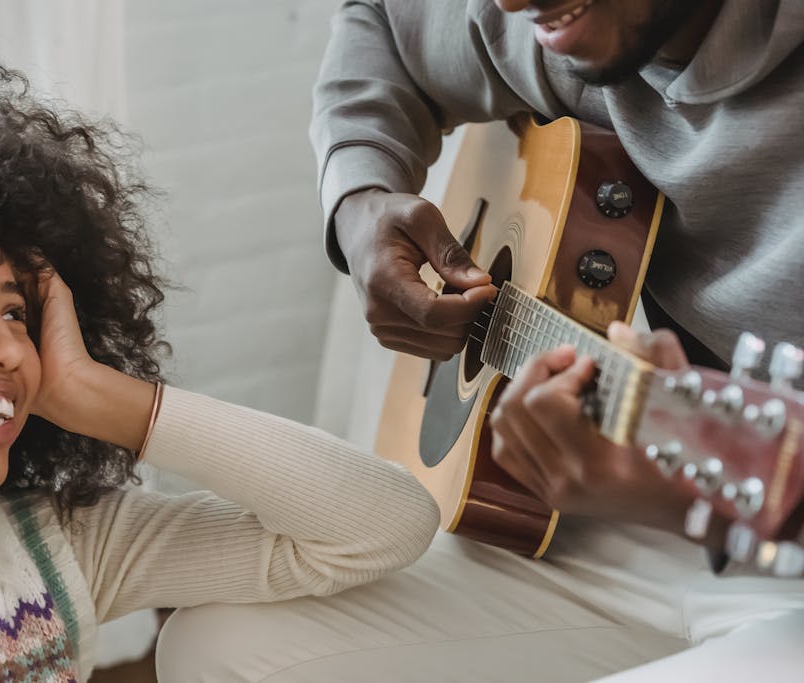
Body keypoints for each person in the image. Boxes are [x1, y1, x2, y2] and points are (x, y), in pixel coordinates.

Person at [154, 1, 804, 681]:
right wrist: (361, 203)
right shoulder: (573, 27)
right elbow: (381, 25)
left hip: (765, 553)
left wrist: (672, 489)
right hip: (663, 514)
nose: (509, 3)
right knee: (218, 645)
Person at [0, 47, 442, 683]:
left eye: (16, 312)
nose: (8, 348)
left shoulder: (53, 550)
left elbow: (383, 526)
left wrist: (95, 394)